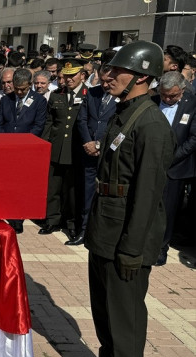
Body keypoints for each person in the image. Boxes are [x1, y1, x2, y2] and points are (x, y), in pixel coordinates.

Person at [63, 40, 175, 357]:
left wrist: (132, 248)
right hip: (106, 228)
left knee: (124, 311)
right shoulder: (123, 112)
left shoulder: (151, 125)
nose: (106, 75)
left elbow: (147, 195)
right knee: (104, 306)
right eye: (107, 69)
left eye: (116, 70)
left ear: (142, 77)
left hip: (127, 235)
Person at [0, 68, 47, 233]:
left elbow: (39, 126)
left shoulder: (39, 101)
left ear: (29, 85)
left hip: (26, 150)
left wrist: (22, 142)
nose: (19, 92)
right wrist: (8, 141)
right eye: (16, 88)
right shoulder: (6, 100)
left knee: (21, 185)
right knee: (7, 183)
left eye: (23, 89)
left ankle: (18, 217)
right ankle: (8, 213)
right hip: (7, 149)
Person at [39, 58, 88, 237]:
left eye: (72, 76)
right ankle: (52, 220)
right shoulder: (56, 95)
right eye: (65, 76)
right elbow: (49, 123)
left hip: (75, 149)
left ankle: (72, 223)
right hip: (56, 147)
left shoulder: (87, 94)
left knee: (72, 190)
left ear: (82, 75)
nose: (68, 80)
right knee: (53, 187)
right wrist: (45, 145)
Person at [71, 63, 117, 246]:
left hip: (108, 153)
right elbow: (82, 119)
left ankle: (101, 233)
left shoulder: (121, 96)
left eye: (109, 81)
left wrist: (99, 144)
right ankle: (84, 230)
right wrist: (89, 142)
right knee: (87, 192)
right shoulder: (92, 93)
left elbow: (117, 125)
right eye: (102, 80)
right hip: (88, 151)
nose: (105, 85)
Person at [153, 71, 196, 265]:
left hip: (175, 168)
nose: (168, 99)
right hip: (149, 164)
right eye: (164, 95)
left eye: (173, 96)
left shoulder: (191, 105)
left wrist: (171, 158)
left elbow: (193, 139)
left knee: (167, 211)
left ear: (182, 90)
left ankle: (161, 247)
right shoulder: (152, 101)